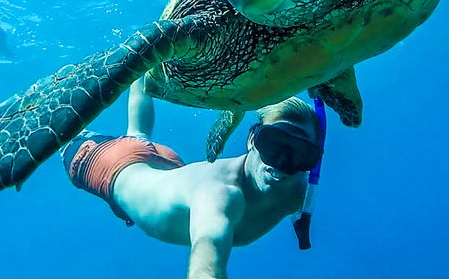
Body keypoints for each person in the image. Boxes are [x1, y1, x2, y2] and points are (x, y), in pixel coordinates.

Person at [61, 77, 323, 279]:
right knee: (60, 133)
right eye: (273, 144)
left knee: (138, 135)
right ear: (252, 140)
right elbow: (208, 252)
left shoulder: (298, 191)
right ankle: (135, 64)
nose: (281, 164)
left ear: (312, 163)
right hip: (107, 163)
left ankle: (142, 74)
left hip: (168, 167)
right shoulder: (221, 194)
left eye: (301, 154)